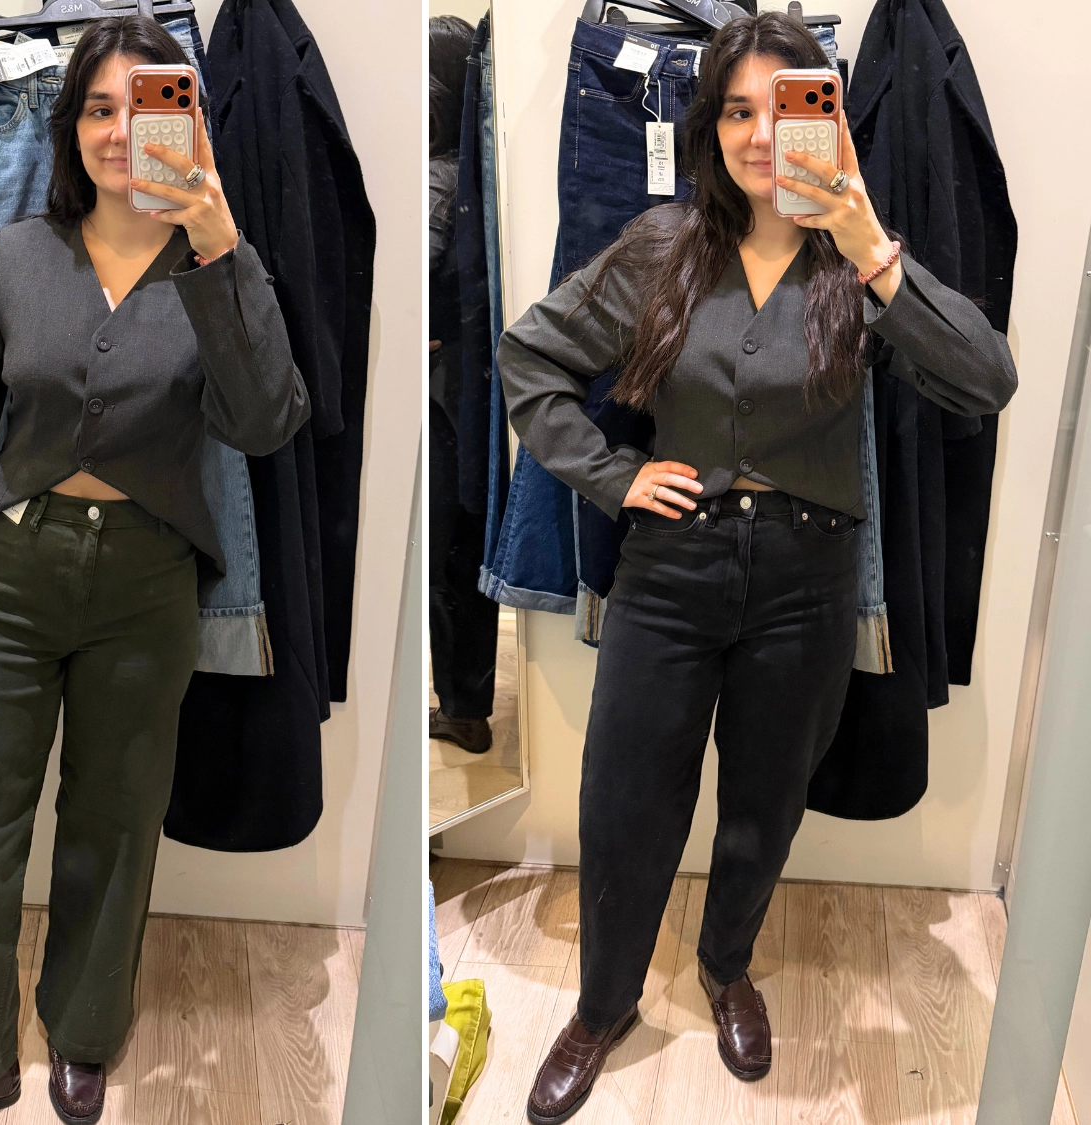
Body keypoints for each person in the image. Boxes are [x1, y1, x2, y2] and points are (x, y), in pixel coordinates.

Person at [499, 14, 1016, 1123]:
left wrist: (869, 241)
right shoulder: (661, 249)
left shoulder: (854, 263)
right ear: (710, 126)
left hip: (806, 580)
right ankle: (602, 1004)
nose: (757, 133)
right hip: (669, 570)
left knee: (765, 801)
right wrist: (610, 476)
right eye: (736, 110)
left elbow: (986, 379)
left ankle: (725, 965)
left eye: (785, 108)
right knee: (624, 798)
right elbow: (529, 356)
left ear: (825, 121)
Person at [0, 15, 309, 1125]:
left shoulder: (214, 264)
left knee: (115, 816)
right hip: (6, 577)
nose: (118, 131)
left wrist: (220, 244)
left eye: (145, 107)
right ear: (69, 128)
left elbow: (265, 421)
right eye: (98, 108)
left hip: (147, 586)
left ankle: (84, 1031)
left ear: (187, 122)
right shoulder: (19, 256)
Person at [425, 13, 498, 757]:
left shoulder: (437, 179)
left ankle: (461, 706)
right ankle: (466, 705)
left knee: (445, 555)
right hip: (467, 390)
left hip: (441, 395)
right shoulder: (474, 170)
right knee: (464, 549)